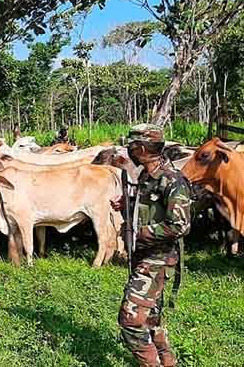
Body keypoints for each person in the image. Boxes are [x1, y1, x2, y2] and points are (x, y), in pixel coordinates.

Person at [110, 124, 192, 367]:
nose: (130, 151)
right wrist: (128, 203)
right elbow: (149, 206)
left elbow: (180, 225)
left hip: (157, 259)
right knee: (151, 318)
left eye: (132, 147)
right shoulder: (147, 174)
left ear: (143, 148)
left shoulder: (173, 180)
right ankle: (168, 362)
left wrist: (141, 232)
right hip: (145, 256)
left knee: (131, 321)